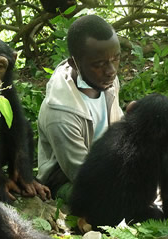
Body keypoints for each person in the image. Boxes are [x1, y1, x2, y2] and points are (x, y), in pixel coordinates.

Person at [37, 15, 123, 203]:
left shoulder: (107, 81)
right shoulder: (60, 113)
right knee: (112, 202)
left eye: (115, 59)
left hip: (107, 164)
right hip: (68, 180)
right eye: (99, 64)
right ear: (75, 64)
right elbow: (84, 177)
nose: (111, 70)